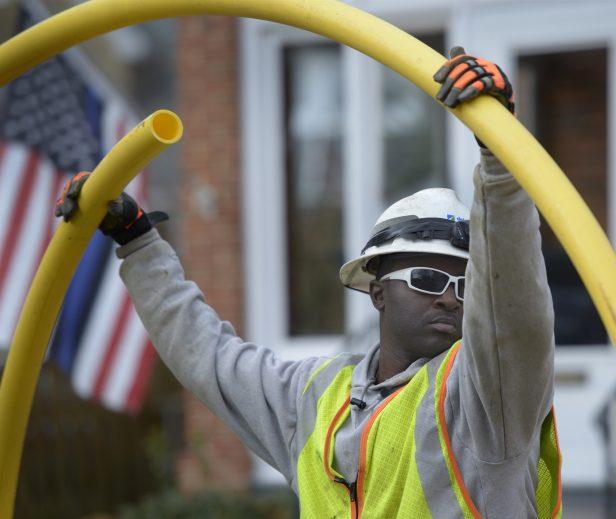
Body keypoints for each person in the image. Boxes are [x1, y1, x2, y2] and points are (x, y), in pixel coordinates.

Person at [56, 47, 561, 518]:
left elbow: (513, 301)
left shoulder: (488, 396)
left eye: (468, 285)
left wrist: (501, 158)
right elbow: (202, 352)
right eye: (428, 278)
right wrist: (138, 242)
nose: (452, 298)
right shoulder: (316, 397)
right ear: (378, 292)